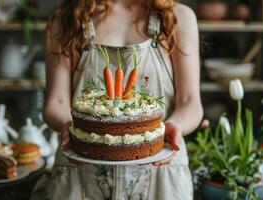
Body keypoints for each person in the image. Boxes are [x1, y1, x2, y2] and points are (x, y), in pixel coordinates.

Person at [32, 0, 203, 199]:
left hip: (160, 178)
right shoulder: (66, 20)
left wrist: (174, 126)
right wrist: (69, 128)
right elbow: (56, 102)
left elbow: (191, 102)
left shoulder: (177, 17)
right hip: (80, 174)